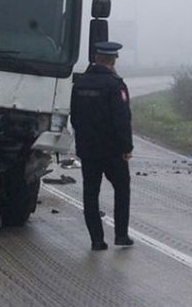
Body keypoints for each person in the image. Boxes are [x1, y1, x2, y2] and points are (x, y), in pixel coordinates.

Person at [70, 41, 134, 251]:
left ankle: (96, 240)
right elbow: (122, 119)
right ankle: (121, 235)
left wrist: (83, 140)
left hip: (88, 150)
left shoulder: (80, 84)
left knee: (90, 193)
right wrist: (127, 147)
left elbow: (75, 117)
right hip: (113, 150)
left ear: (97, 59)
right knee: (122, 189)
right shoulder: (115, 85)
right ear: (113, 60)